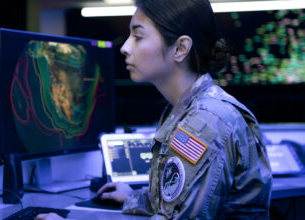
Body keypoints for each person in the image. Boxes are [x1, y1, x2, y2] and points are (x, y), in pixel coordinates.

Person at [36, 0, 272, 219]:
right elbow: (178, 200)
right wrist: (133, 197)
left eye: (138, 36)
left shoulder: (203, 123)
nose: (125, 47)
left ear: (180, 48)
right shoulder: (184, 110)